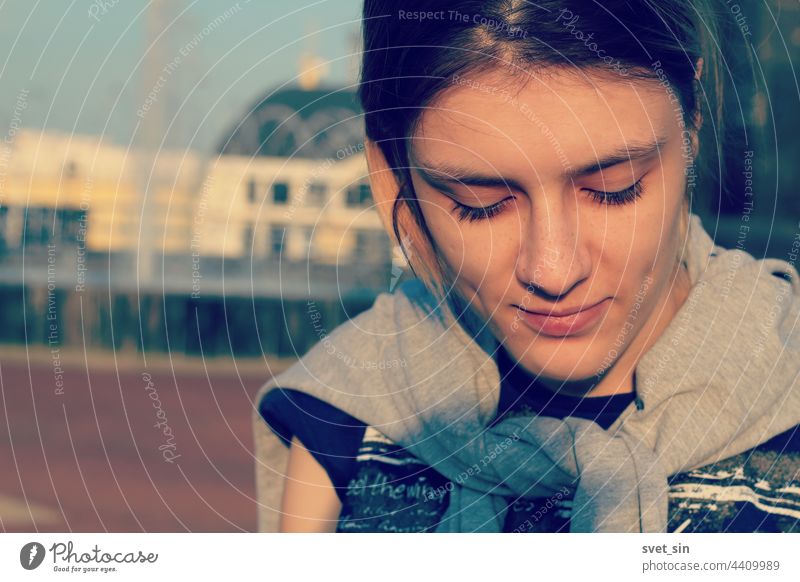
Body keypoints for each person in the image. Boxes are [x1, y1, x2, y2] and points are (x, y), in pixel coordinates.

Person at [253, 0, 800, 533]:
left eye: (614, 189)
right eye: (480, 202)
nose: (554, 271)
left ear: (693, 116)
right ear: (389, 176)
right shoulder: (349, 414)